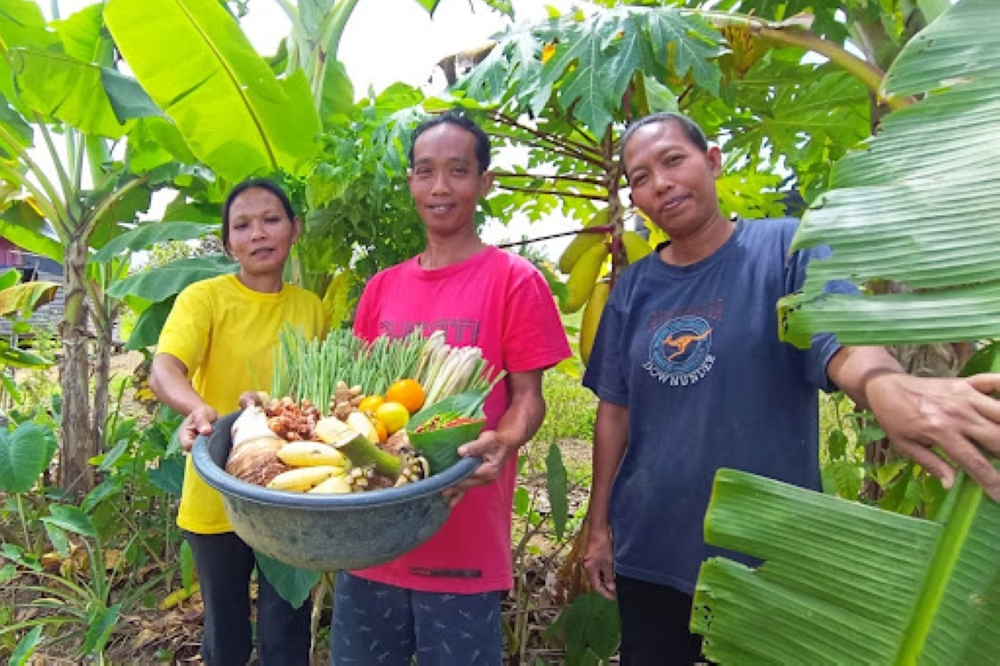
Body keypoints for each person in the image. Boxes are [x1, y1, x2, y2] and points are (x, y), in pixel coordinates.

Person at [581, 112, 1000, 665]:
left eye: (673, 160)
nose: (659, 183)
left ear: (711, 162)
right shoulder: (633, 288)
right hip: (650, 545)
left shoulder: (785, 250)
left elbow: (842, 341)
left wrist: (887, 385)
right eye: (639, 177)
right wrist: (597, 525)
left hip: (768, 549)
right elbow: (615, 410)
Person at [330, 110, 571, 665]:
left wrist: (505, 440)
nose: (440, 187)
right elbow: (362, 404)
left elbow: (528, 399)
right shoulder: (382, 288)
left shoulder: (514, 281)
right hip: (371, 540)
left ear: (484, 182)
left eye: (458, 171)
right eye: (425, 171)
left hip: (462, 538)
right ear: (411, 181)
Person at [149, 179, 328, 665]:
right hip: (218, 492)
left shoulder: (312, 309)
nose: (258, 235)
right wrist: (196, 407)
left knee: (286, 631)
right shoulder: (204, 298)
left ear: (295, 229)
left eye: (271, 220)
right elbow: (165, 366)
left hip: (293, 493)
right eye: (242, 226)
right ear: (228, 242)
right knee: (225, 634)